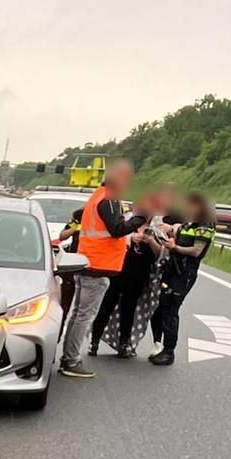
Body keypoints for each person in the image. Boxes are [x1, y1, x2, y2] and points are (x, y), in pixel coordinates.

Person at [59, 160, 148, 378]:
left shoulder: (99, 196)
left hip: (90, 263)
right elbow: (117, 229)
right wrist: (140, 218)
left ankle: (68, 358)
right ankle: (71, 360)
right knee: (84, 316)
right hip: (97, 266)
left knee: (79, 314)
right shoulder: (108, 198)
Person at [89, 187, 175, 357]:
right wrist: (130, 238)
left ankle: (124, 344)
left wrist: (151, 241)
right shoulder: (126, 222)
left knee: (129, 311)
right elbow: (113, 238)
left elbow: (162, 255)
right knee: (106, 308)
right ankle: (94, 342)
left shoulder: (156, 229)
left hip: (138, 277)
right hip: (117, 273)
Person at [147, 192, 217, 366]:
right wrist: (169, 234)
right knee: (162, 307)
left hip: (185, 273)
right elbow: (177, 234)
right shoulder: (187, 225)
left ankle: (169, 351)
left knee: (171, 309)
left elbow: (196, 251)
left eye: (190, 205)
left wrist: (174, 246)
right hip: (172, 270)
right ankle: (161, 345)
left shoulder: (204, 227)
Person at [56, 209, 82, 339]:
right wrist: (75, 229)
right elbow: (62, 236)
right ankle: (58, 336)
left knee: (82, 311)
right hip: (72, 267)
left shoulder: (104, 220)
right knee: (64, 306)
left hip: (90, 268)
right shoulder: (78, 218)